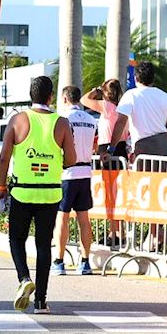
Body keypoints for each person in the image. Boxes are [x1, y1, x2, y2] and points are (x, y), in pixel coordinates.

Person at [0, 75, 76, 314]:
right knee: (44, 245)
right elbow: (71, 159)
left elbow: (3, 158)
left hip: (22, 191)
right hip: (50, 193)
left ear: (30, 95)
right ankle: (41, 301)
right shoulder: (61, 123)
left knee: (16, 239)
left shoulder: (18, 120)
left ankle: (23, 278)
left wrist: (1, 188)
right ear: (51, 96)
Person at [52, 86, 99, 275]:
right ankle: (85, 261)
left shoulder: (63, 119)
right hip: (86, 171)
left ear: (64, 99)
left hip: (67, 173)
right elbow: (95, 144)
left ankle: (59, 261)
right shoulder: (90, 119)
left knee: (62, 217)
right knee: (84, 218)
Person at [109, 61, 167, 158]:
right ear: (153, 78)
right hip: (163, 147)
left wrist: (111, 149)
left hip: (142, 148)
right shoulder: (166, 97)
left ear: (136, 78)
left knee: (142, 173)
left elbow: (120, 123)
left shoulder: (130, 95)